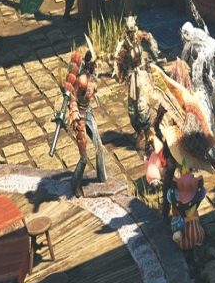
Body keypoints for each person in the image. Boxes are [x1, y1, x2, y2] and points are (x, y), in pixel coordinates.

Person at [57, 42, 106, 197]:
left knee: (99, 146)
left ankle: (102, 177)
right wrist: (74, 111)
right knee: (84, 158)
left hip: (88, 112)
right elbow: (72, 97)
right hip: (80, 117)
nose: (94, 66)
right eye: (92, 63)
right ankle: (75, 184)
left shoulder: (92, 75)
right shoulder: (82, 80)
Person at [114, 16, 160, 153]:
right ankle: (139, 133)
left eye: (132, 31)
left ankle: (147, 134)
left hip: (141, 76)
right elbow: (118, 62)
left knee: (142, 107)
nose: (131, 34)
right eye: (129, 31)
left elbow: (150, 39)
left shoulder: (140, 36)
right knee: (132, 111)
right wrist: (119, 73)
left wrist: (154, 54)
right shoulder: (123, 45)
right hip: (131, 78)